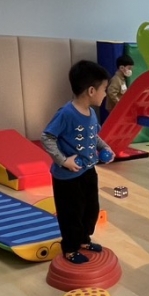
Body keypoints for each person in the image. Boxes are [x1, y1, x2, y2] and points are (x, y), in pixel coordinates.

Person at [41, 60, 115, 264]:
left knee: (90, 209)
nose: (105, 94)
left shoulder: (91, 113)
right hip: (68, 176)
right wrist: (63, 161)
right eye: (104, 89)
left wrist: (105, 147)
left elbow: (93, 136)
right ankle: (70, 248)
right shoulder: (66, 113)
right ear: (91, 91)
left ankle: (83, 240)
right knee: (71, 213)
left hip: (88, 170)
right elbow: (47, 137)